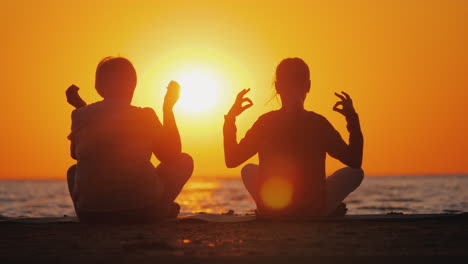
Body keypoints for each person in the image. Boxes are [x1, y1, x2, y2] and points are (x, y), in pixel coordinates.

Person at [223, 58, 364, 219]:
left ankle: (266, 210)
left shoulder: (265, 122)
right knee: (356, 173)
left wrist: (230, 120)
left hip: (273, 211)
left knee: (247, 169)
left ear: (277, 87)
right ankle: (327, 209)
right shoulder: (318, 123)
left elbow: (232, 160)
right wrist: (352, 118)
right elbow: (354, 161)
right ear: (308, 86)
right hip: (312, 211)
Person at [66, 57, 193, 223]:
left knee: (73, 171)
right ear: (133, 86)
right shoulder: (145, 116)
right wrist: (168, 108)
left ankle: (161, 206)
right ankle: (162, 207)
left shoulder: (79, 115)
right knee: (184, 161)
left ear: (98, 87)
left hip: (90, 215)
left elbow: (75, 154)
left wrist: (82, 108)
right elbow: (171, 156)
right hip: (143, 211)